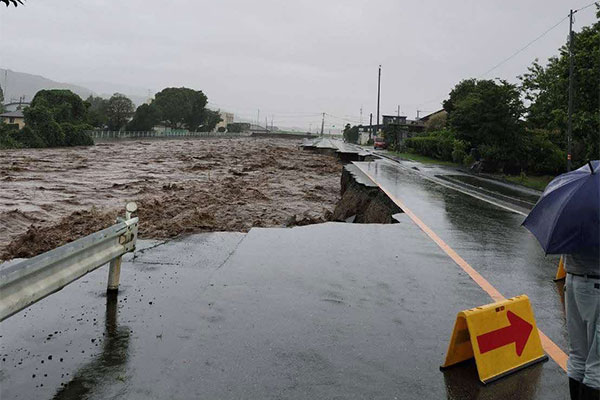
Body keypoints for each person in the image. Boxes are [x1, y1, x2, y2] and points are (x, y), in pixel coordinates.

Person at [565, 246, 600, 400]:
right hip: (596, 283)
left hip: (572, 280)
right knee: (597, 363)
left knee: (578, 355)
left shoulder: (571, 220)